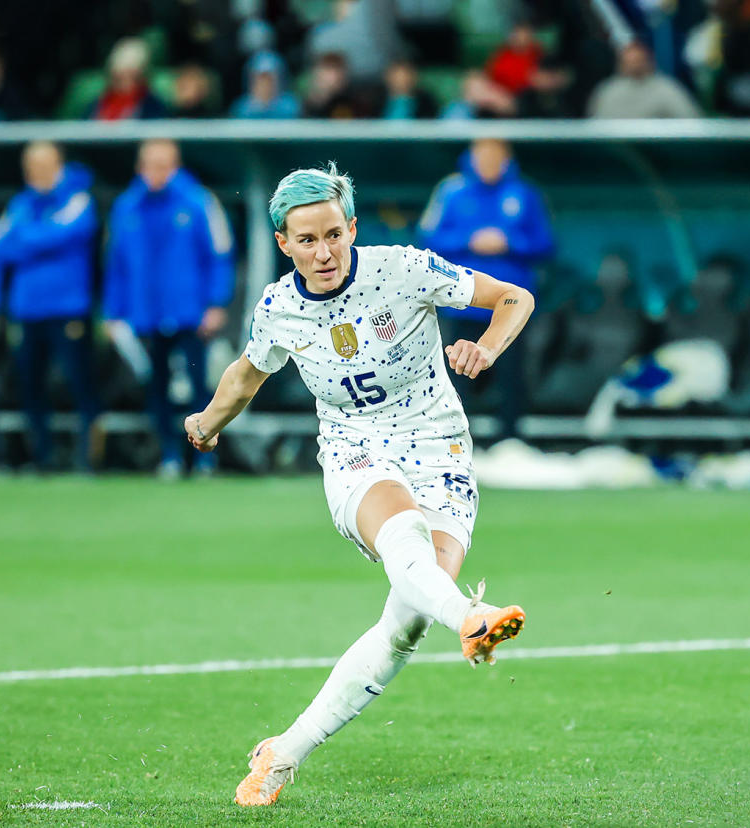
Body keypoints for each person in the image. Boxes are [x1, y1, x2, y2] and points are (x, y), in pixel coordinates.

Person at [180, 163, 532, 806]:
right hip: (357, 450)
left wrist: (486, 347)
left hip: (440, 446)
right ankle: (473, 617)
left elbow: (515, 298)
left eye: (334, 235)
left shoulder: (402, 268)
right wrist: (205, 422)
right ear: (284, 243)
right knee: (408, 547)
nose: (324, 252)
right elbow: (244, 377)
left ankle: (283, 752)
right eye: (307, 240)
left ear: (353, 229)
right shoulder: (279, 308)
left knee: (408, 621)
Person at [104, 139, 234, 478]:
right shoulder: (126, 207)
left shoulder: (200, 202)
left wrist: (216, 302)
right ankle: (170, 456)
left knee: (200, 387)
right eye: (151, 165)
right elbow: (115, 264)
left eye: (164, 165)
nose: (157, 173)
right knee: (155, 387)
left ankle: (205, 457)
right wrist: (112, 311)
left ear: (176, 165)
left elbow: (220, 255)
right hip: (145, 316)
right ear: (140, 167)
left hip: (191, 313)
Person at [418, 138, 554, 439]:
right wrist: (470, 240)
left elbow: (546, 243)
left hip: (509, 308)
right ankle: (455, 439)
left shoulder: (524, 193)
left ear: (506, 159)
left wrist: (510, 243)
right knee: (456, 373)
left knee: (512, 376)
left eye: (495, 157)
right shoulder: (450, 191)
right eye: (483, 157)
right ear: (472, 157)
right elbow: (427, 238)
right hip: (462, 303)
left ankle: (510, 441)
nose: (489, 163)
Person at [0, 142, 100, 471]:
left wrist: (25, 241)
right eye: (31, 167)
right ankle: (42, 458)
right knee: (29, 385)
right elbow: (1, 249)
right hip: (26, 310)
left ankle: (88, 461)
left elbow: (67, 234)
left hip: (68, 308)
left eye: (43, 165)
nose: (36, 173)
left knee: (79, 383)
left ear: (58, 164)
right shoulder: (19, 204)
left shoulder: (78, 198)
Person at [587, 40, 702, 118]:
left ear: (649, 62)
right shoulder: (607, 92)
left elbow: (690, 119)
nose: (635, 66)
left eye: (638, 61)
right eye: (629, 62)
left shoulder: (667, 89)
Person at [88, 37, 169, 121]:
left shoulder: (153, 107)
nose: (124, 81)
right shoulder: (99, 102)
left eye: (131, 74)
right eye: (118, 76)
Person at [231, 51, 302, 119]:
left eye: (269, 79)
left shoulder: (290, 107)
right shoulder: (241, 108)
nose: (265, 84)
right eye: (260, 78)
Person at [380, 55, 438, 119]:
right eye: (397, 77)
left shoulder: (426, 103)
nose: (402, 81)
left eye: (405, 76)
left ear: (414, 77)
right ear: (387, 77)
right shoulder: (377, 101)